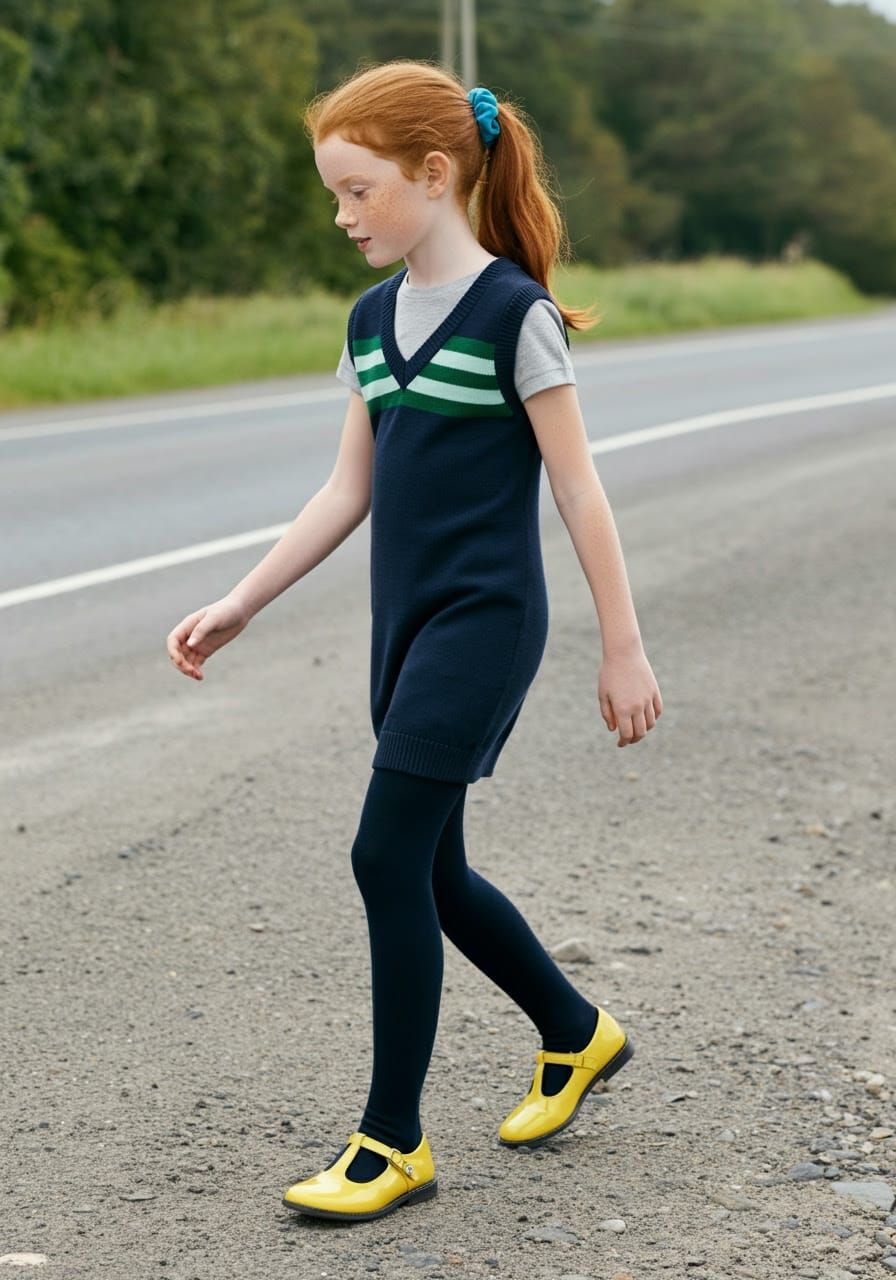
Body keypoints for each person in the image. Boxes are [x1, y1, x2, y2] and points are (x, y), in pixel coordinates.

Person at [166, 58, 662, 1224]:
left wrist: (621, 647)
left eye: (355, 192)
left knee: (382, 855)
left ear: (431, 175)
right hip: (405, 628)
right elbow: (347, 492)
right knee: (431, 867)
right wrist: (243, 600)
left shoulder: (513, 315)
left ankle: (391, 1141)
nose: (340, 217)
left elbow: (580, 492)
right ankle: (575, 1032)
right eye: (333, 194)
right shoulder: (370, 319)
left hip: (485, 627)